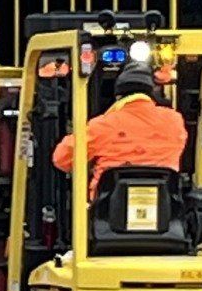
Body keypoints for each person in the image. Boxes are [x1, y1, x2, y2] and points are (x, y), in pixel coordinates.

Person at [51, 61, 189, 199]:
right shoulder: (174, 121)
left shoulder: (104, 124)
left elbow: (61, 158)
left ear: (118, 96)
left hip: (108, 214)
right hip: (166, 210)